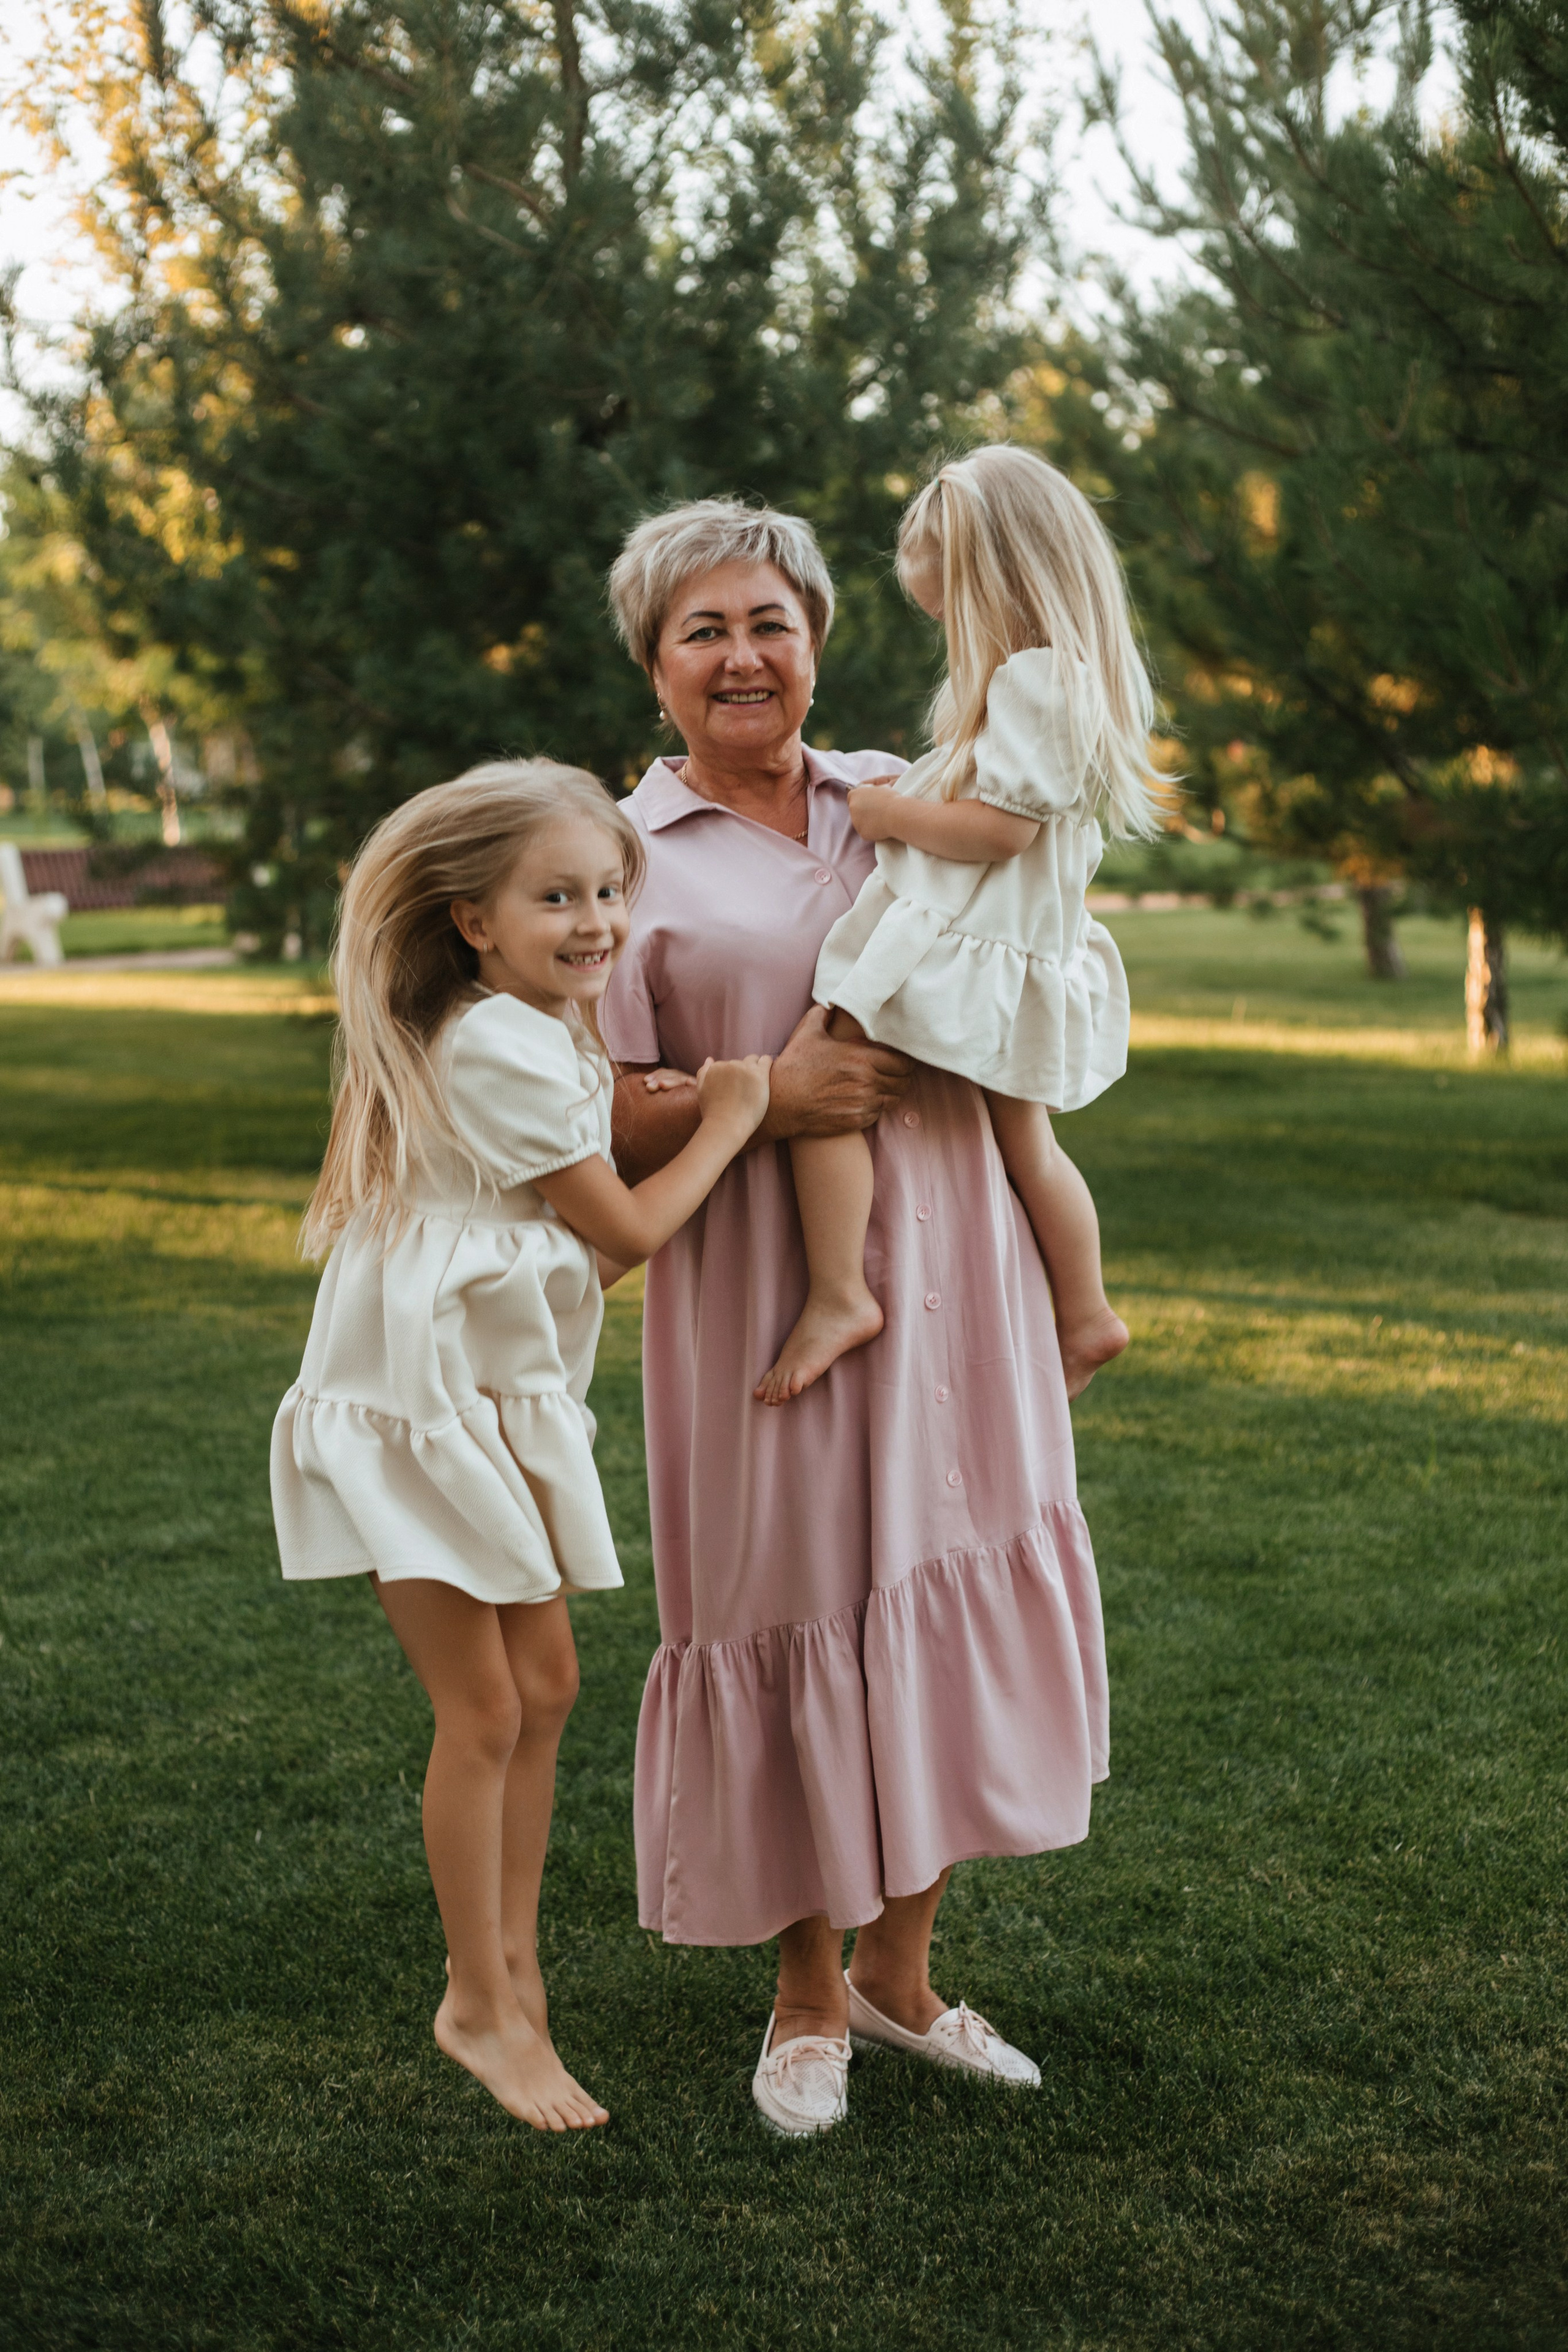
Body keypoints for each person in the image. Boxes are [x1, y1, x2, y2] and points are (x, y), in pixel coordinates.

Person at [602, 497, 1111, 2137]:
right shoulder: (619, 858)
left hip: (959, 1285)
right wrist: (764, 1091)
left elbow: (1035, 950)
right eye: (704, 630)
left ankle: (903, 1974)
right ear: (655, 665)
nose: (743, 655)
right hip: (763, 1295)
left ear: (817, 642)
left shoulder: (910, 787)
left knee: (936, 1603)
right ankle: (806, 1994)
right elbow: (583, 1113)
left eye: (771, 622)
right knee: (791, 1606)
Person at [270, 760, 771, 2133]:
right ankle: (477, 2001)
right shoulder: (498, 1042)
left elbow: (557, 1259)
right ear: (472, 919)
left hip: (484, 1389)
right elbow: (624, 1234)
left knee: (544, 1686)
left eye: (610, 890)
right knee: (484, 1708)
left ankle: (513, 1966)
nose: (596, 921)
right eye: (557, 898)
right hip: (421, 1404)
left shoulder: (533, 1029)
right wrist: (734, 1120)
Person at [756, 445, 1157, 1408]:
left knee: (826, 1068)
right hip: (1009, 948)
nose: (941, 625)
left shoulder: (1035, 681)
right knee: (1030, 1146)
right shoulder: (1063, 684)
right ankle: (1087, 1313)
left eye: (946, 605)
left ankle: (840, 1294)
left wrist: (889, 815)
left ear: (997, 580)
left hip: (969, 947)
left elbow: (999, 833)